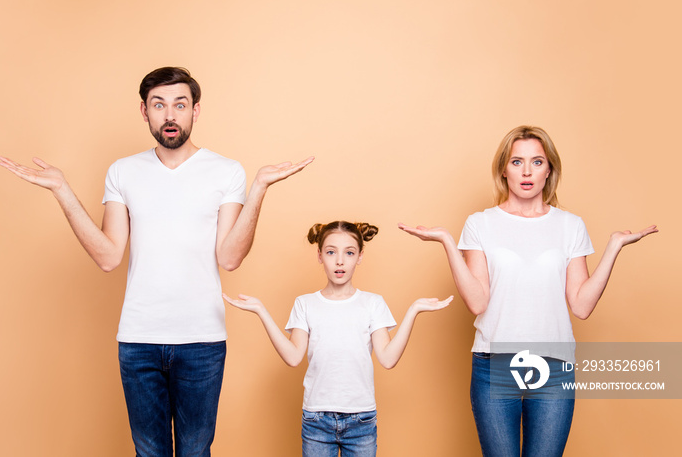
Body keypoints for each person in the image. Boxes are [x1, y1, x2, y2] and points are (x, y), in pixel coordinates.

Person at [0, 66, 314, 457]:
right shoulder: (123, 171)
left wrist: (259, 190)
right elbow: (109, 256)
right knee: (149, 453)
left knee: (195, 452)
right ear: (144, 111)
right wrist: (62, 191)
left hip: (202, 340)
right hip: (138, 340)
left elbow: (230, 257)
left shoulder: (226, 171)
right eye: (159, 105)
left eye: (180, 105)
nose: (170, 115)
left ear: (195, 111)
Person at [399, 125, 657, 457]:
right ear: (503, 170)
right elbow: (478, 302)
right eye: (517, 162)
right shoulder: (481, 223)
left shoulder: (570, 225)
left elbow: (580, 305)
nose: (526, 171)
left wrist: (613, 248)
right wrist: (448, 242)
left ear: (549, 170)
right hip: (495, 365)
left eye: (537, 162)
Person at [224, 221, 452, 456]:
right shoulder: (305, 304)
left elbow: (388, 359)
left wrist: (413, 310)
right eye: (331, 252)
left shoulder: (373, 304)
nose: (340, 261)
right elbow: (293, 357)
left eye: (349, 253)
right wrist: (262, 311)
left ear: (360, 257)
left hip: (361, 420)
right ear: (320, 255)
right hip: (316, 420)